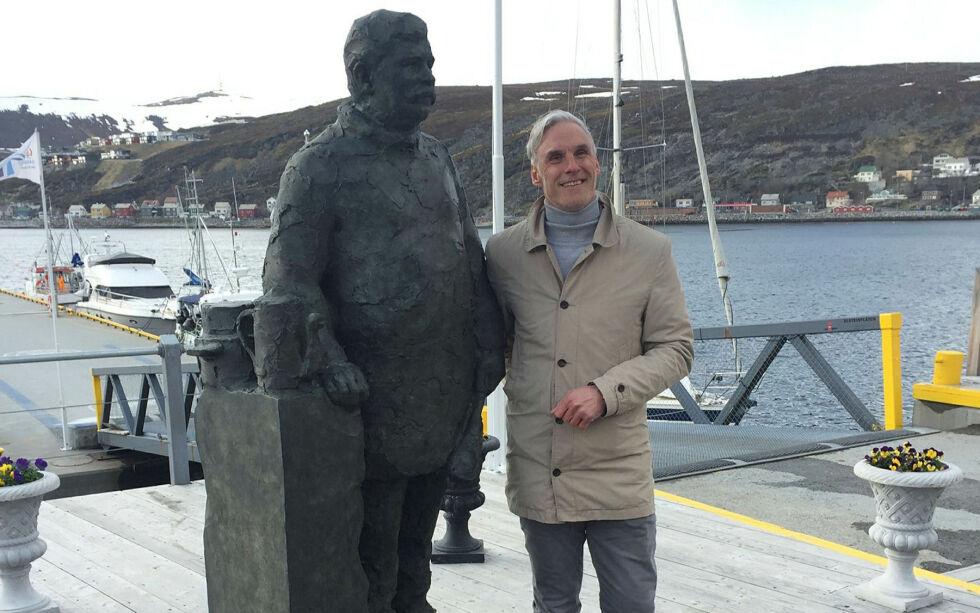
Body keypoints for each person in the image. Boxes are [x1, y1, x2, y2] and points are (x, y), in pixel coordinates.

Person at [258, 10, 504, 613]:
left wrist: (487, 345)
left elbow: (467, 257)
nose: (428, 77)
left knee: (416, 547)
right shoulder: (315, 169)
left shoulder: (438, 158)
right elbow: (288, 284)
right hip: (365, 402)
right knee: (369, 555)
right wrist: (328, 356)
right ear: (362, 76)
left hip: (440, 389)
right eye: (411, 66)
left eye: (430, 64)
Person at [485, 109, 694, 612]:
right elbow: (490, 348)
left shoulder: (650, 250)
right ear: (536, 174)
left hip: (617, 469)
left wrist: (606, 393)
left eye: (581, 153)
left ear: (599, 165)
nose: (571, 165)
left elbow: (676, 348)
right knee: (553, 604)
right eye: (555, 157)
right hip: (541, 467)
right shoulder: (502, 255)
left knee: (630, 605)